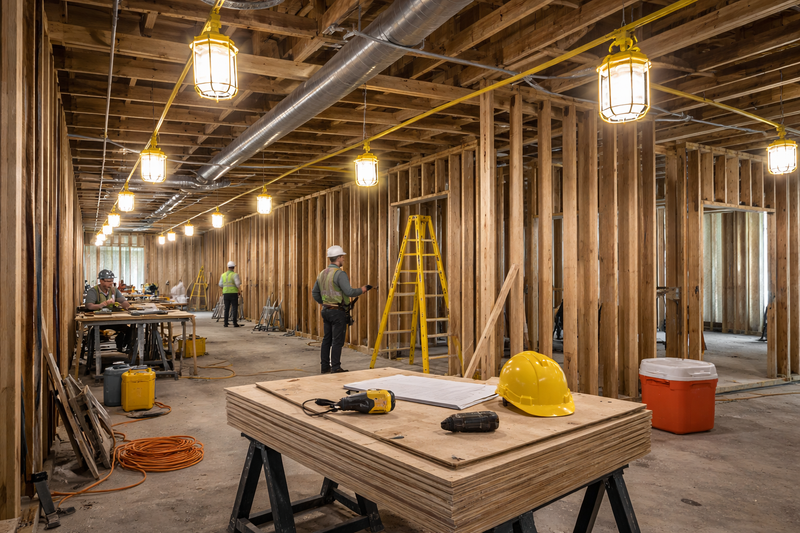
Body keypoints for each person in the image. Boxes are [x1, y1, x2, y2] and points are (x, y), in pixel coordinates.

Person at [312, 245, 371, 374]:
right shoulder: (339, 274)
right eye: (342, 257)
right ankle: (336, 367)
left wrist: (325, 303)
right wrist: (363, 289)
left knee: (327, 339)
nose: (343, 259)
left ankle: (325, 367)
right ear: (338, 258)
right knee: (337, 341)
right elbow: (349, 292)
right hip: (337, 312)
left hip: (326, 311)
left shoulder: (322, 273)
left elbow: (315, 293)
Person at [84, 269, 132, 352]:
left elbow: (124, 301)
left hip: (113, 320)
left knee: (130, 330)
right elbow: (89, 306)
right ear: (101, 281)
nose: (111, 283)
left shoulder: (114, 290)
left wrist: (124, 305)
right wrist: (102, 304)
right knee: (93, 332)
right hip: (98, 322)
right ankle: (92, 351)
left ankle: (124, 346)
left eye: (112, 281)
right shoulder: (93, 291)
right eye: (108, 281)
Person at [219, 261, 242, 327]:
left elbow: (220, 284)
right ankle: (235, 323)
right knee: (234, 308)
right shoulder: (235, 275)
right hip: (233, 293)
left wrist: (225, 288)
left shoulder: (223, 275)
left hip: (226, 293)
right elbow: (237, 284)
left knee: (226, 308)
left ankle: (225, 323)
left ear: (228, 267)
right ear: (233, 267)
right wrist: (239, 290)